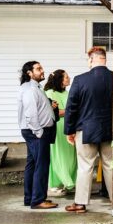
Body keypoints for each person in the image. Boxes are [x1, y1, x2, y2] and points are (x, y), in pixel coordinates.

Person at [64, 47, 113, 213]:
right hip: (112, 130)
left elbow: (71, 108)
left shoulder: (79, 80)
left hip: (86, 129)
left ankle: (80, 203)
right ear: (104, 59)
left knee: (85, 166)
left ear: (91, 59)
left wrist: (69, 130)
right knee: (111, 165)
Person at [18, 60, 57, 209]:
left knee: (32, 164)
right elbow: (30, 113)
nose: (42, 71)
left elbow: (38, 108)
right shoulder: (30, 89)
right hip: (36, 132)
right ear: (29, 73)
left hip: (33, 131)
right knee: (41, 165)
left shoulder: (34, 87)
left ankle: (30, 198)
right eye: (38, 69)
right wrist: (39, 132)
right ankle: (38, 200)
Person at [43, 69, 76, 197]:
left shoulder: (67, 92)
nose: (69, 78)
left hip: (69, 127)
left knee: (70, 156)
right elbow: (55, 112)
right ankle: (55, 184)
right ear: (60, 80)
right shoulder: (50, 93)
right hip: (57, 127)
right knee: (58, 155)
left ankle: (67, 181)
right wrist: (72, 110)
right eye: (66, 77)